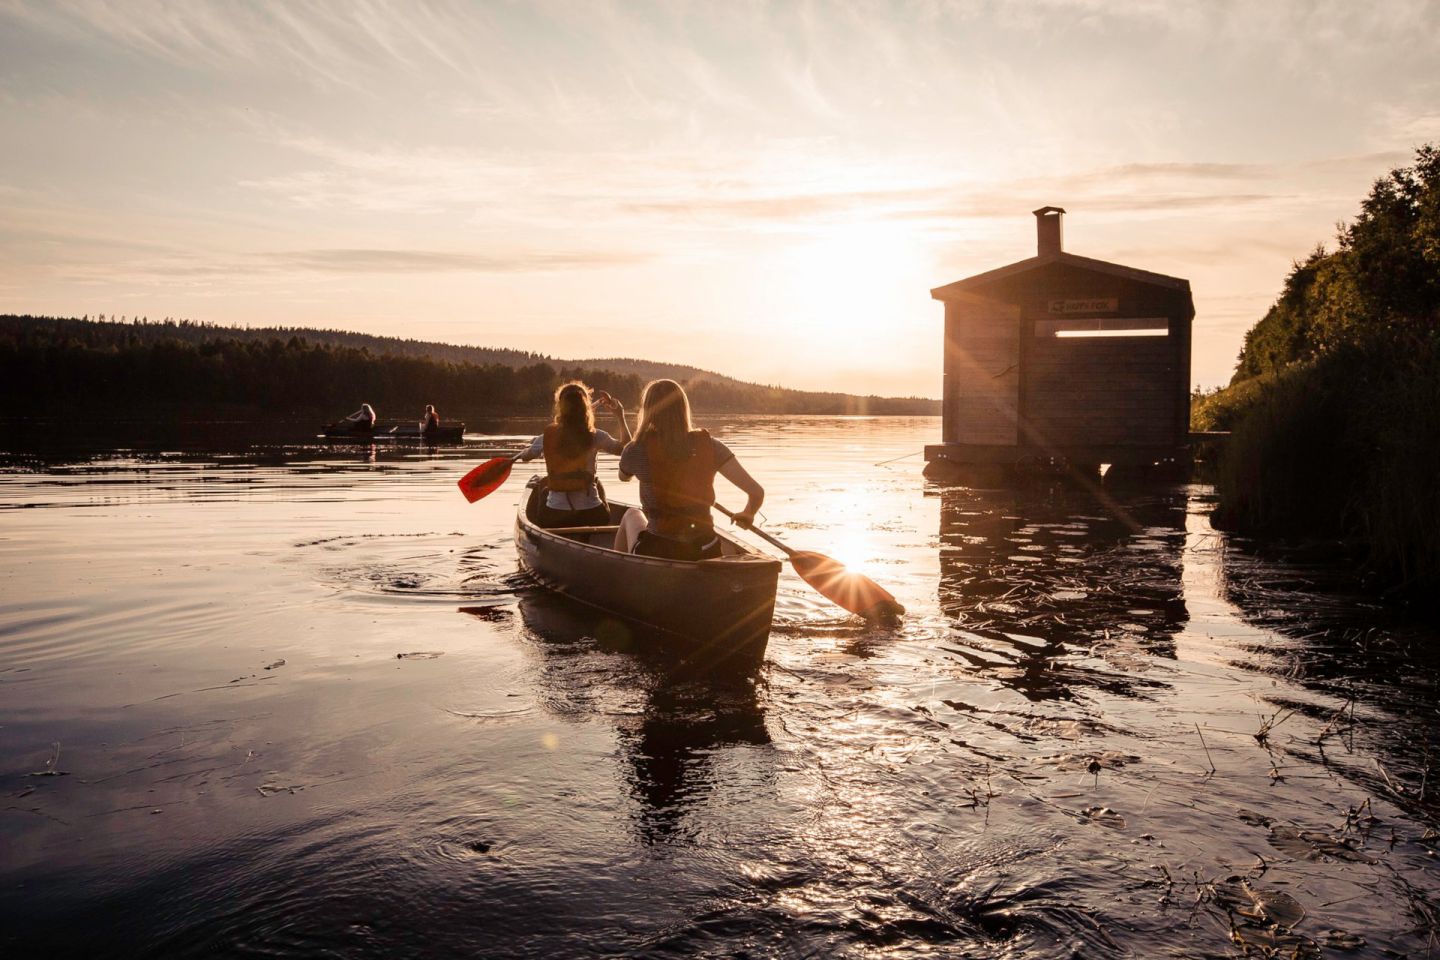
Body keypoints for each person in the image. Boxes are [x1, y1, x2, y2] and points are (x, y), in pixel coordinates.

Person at [614, 379, 763, 561]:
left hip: (658, 549)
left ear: (648, 411)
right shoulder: (712, 447)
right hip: (705, 549)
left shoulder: (635, 449)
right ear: (683, 409)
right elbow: (756, 492)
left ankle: (621, 573)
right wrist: (748, 513)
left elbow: (623, 477)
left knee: (631, 514)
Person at [518, 382, 631, 528]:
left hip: (555, 516)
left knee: (542, 486)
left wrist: (524, 452)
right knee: (596, 482)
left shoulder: (547, 436)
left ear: (560, 408)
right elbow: (626, 450)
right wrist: (620, 416)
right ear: (585, 408)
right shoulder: (596, 436)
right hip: (593, 514)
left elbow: (527, 457)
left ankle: (539, 534)